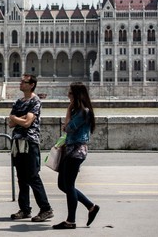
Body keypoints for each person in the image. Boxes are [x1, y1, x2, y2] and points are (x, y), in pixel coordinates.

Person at [52, 82, 100, 230]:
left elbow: (68, 128)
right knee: (63, 184)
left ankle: (71, 220)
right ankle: (90, 206)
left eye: (71, 93)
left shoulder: (83, 112)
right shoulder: (78, 111)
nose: (68, 95)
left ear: (77, 95)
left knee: (69, 185)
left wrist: (67, 110)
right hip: (70, 150)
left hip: (76, 152)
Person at [8, 74, 54, 222]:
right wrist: (19, 119)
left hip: (30, 142)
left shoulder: (35, 101)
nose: (20, 83)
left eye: (24, 82)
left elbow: (27, 123)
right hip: (17, 142)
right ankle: (25, 209)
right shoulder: (18, 101)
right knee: (21, 178)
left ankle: (46, 208)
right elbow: (11, 123)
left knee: (33, 177)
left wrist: (17, 119)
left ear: (31, 85)